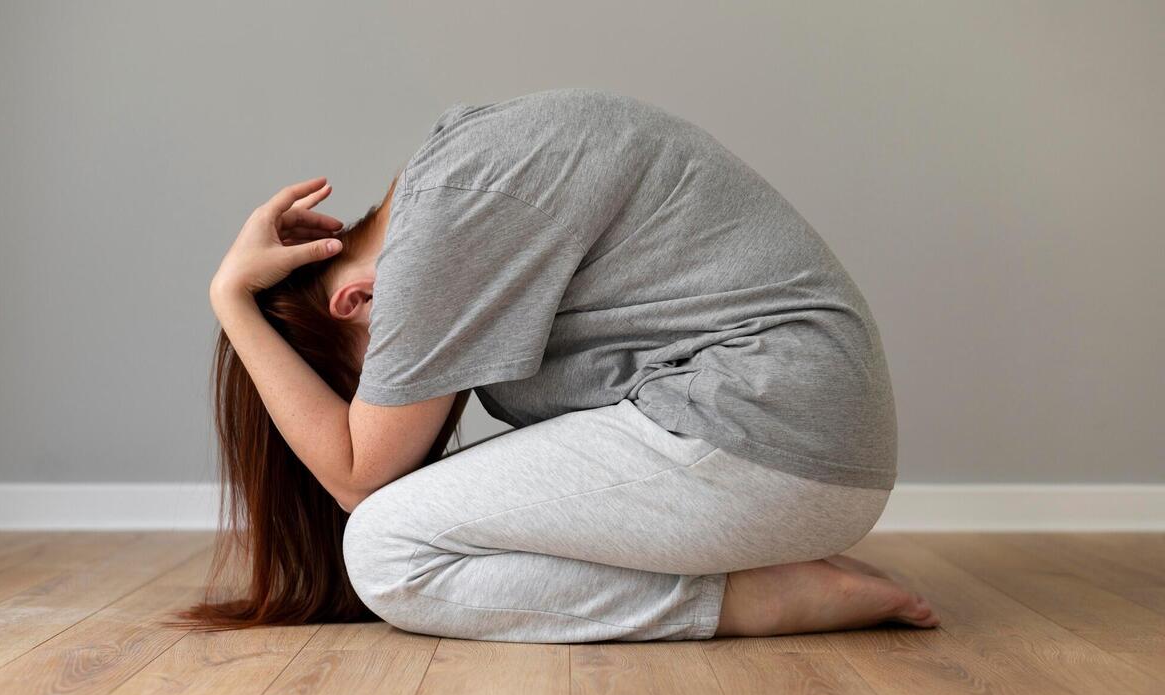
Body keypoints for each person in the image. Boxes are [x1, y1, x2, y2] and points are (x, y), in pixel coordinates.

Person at [176, 88, 939, 641]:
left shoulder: (443, 224)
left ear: (357, 301)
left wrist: (232, 301)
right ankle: (753, 566)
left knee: (384, 547)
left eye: (367, 382)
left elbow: (357, 474)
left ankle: (750, 601)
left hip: (761, 423)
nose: (399, 398)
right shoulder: (459, 177)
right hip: (796, 430)